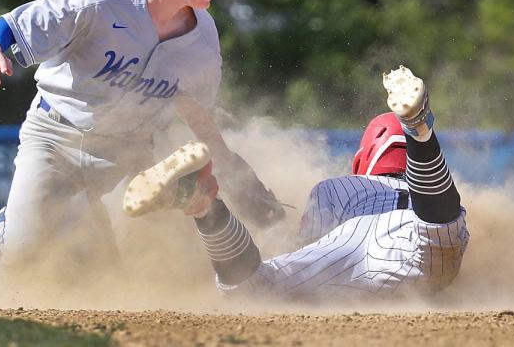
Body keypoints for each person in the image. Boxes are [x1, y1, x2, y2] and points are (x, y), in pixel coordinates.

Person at [0, 0, 285, 277]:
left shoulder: (204, 38)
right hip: (56, 138)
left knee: (136, 270)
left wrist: (235, 174)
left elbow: (197, 116)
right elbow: (10, 24)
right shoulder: (101, 1)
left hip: (128, 154)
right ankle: (1, 236)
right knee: (24, 257)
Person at [123, 66, 469, 300]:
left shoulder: (338, 187)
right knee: (440, 226)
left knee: (252, 287)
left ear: (365, 158)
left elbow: (300, 247)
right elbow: (439, 222)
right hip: (424, 221)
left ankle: (202, 205)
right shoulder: (424, 190)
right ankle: (420, 131)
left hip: (350, 246)